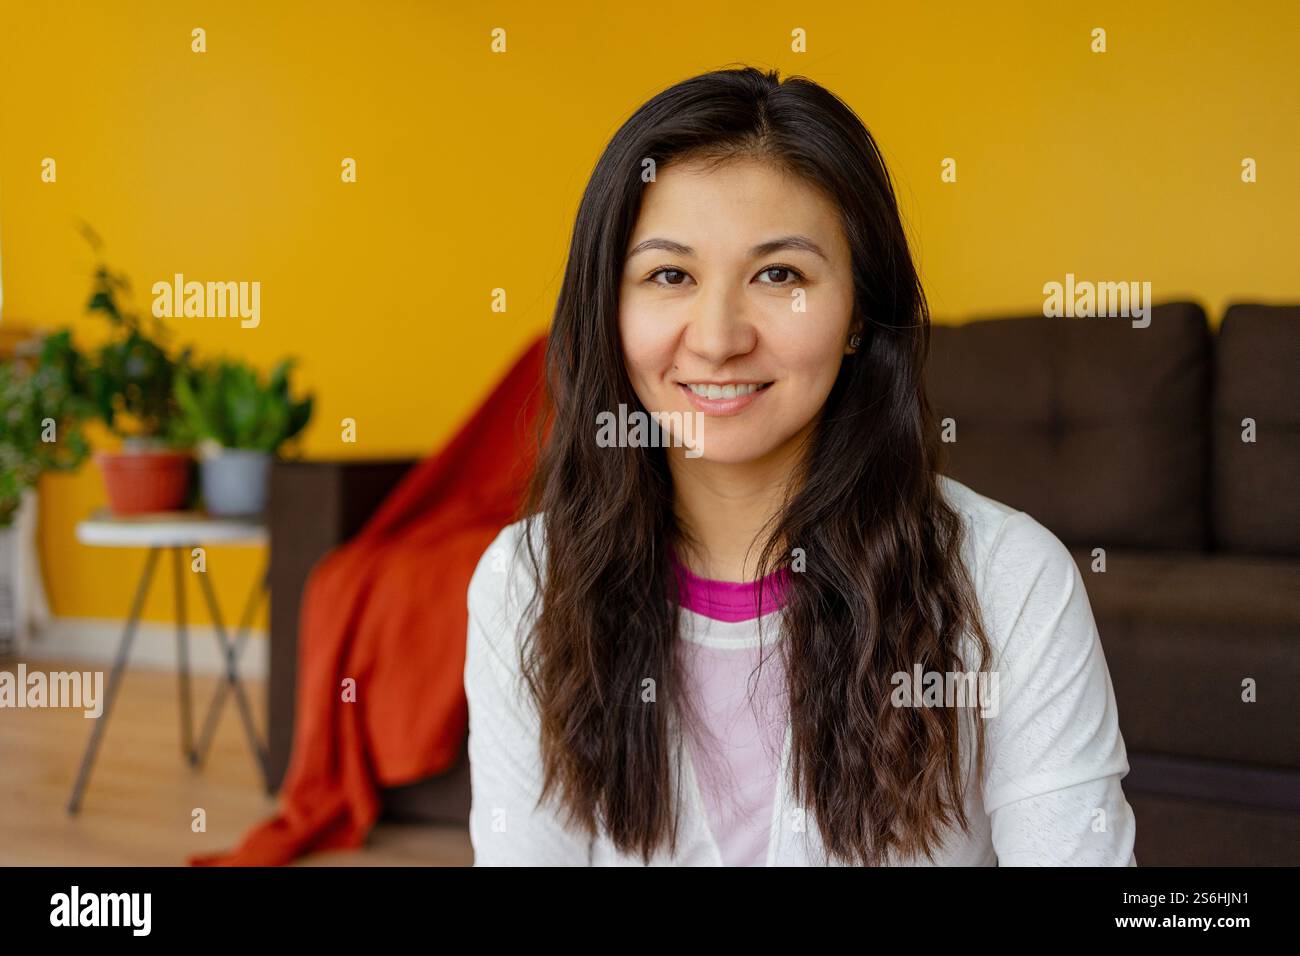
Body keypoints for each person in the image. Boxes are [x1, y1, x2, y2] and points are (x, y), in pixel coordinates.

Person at [464, 65, 1136, 866]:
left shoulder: (1010, 581)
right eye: (669, 275)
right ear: (607, 309)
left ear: (859, 313)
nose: (717, 338)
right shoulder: (526, 583)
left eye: (779, 274)